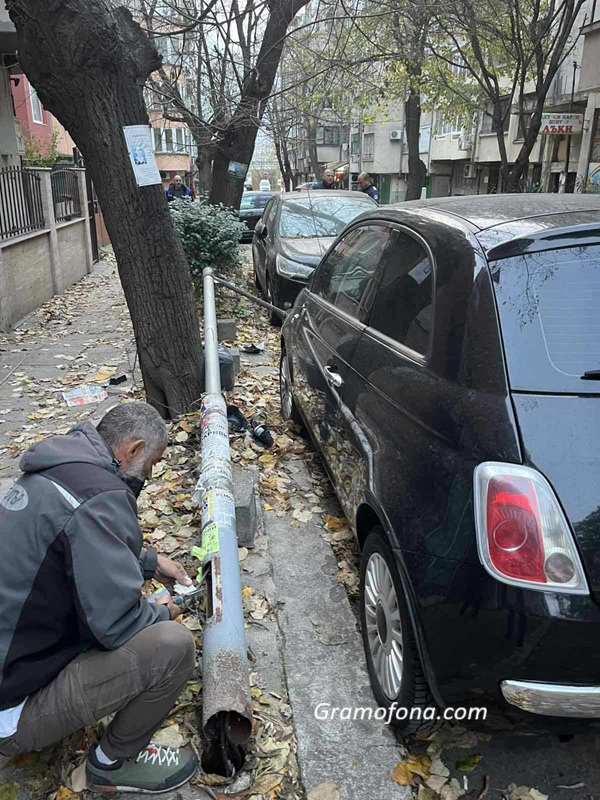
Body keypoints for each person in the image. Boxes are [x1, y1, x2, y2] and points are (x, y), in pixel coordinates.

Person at [0, 402, 198, 794]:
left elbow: (64, 545)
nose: (151, 474)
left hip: (11, 659)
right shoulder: (101, 495)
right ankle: (112, 763)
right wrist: (164, 612)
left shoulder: (58, 469)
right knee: (173, 646)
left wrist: (149, 561)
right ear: (134, 449)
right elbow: (115, 624)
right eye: (152, 462)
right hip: (10, 709)